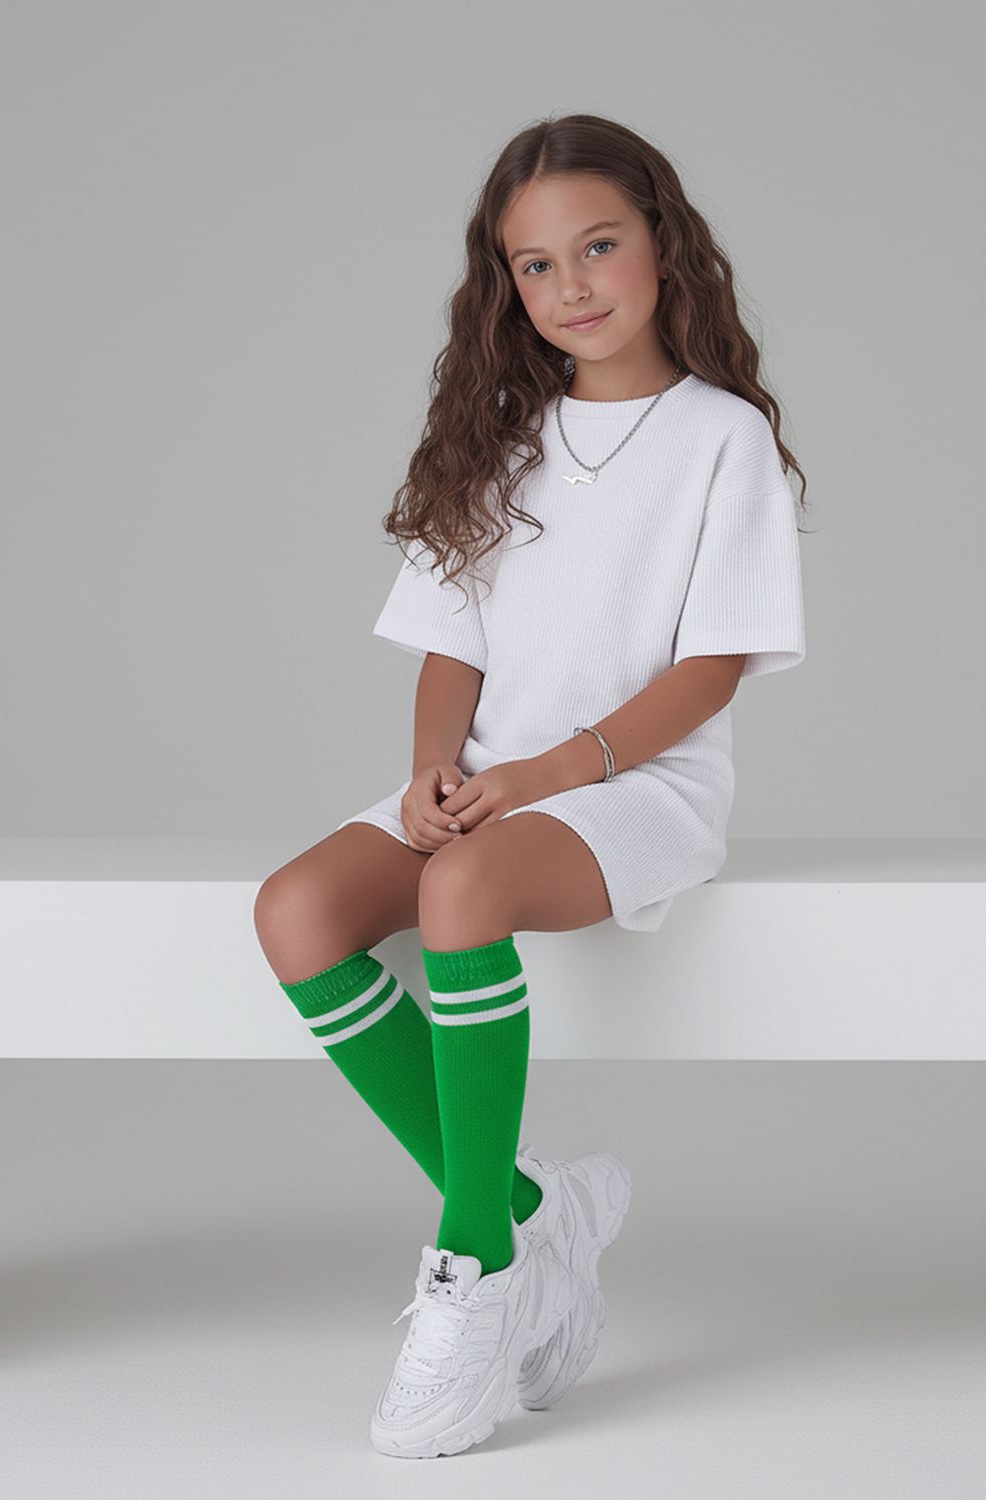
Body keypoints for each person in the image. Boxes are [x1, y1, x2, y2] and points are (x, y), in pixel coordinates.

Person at [253, 111, 808, 1459]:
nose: (573, 286)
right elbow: (453, 637)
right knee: (296, 910)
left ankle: (476, 1268)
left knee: (464, 889)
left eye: (599, 246)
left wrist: (546, 776)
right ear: (506, 283)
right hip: (490, 787)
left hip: (637, 787)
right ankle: (525, 1209)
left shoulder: (721, 438)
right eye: (537, 264)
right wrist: (434, 770)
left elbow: (713, 667)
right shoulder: (499, 434)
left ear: (664, 244)